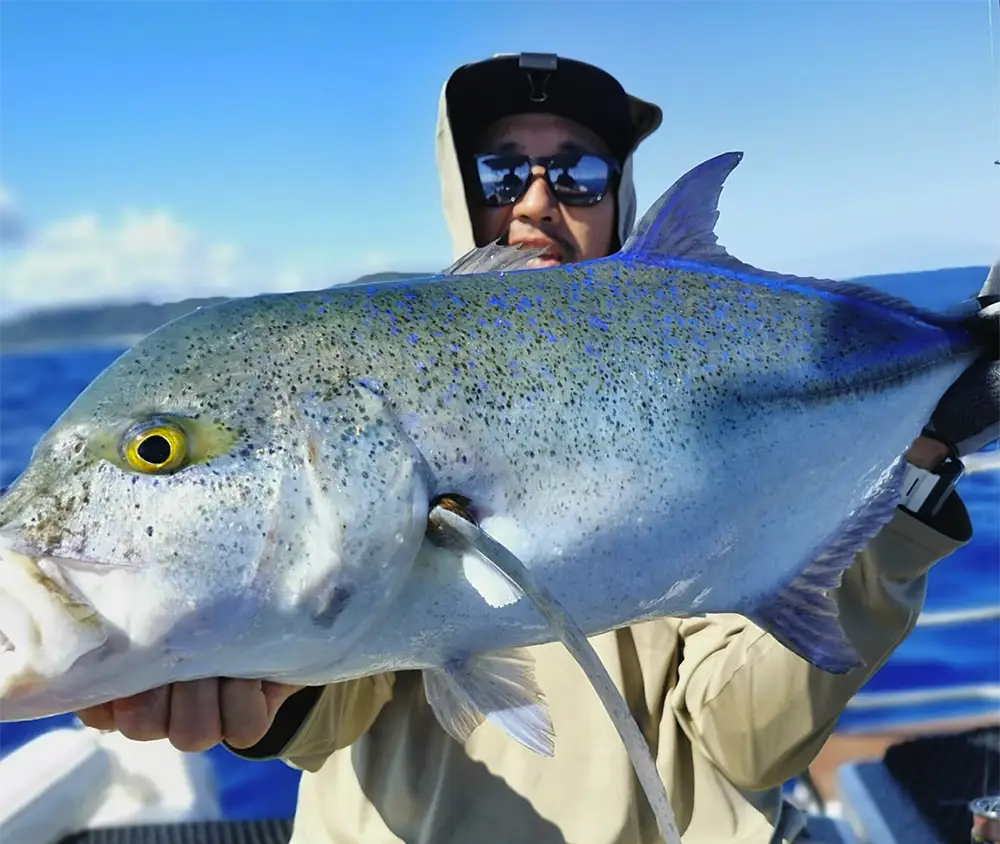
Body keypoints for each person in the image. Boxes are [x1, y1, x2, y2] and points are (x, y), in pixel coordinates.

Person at [76, 53, 1000, 843]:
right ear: (461, 188)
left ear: (621, 195)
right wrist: (256, 671)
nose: (538, 202)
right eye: (501, 171)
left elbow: (750, 743)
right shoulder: (368, 369)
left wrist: (911, 475)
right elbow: (329, 715)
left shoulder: (687, 385)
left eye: (580, 173)